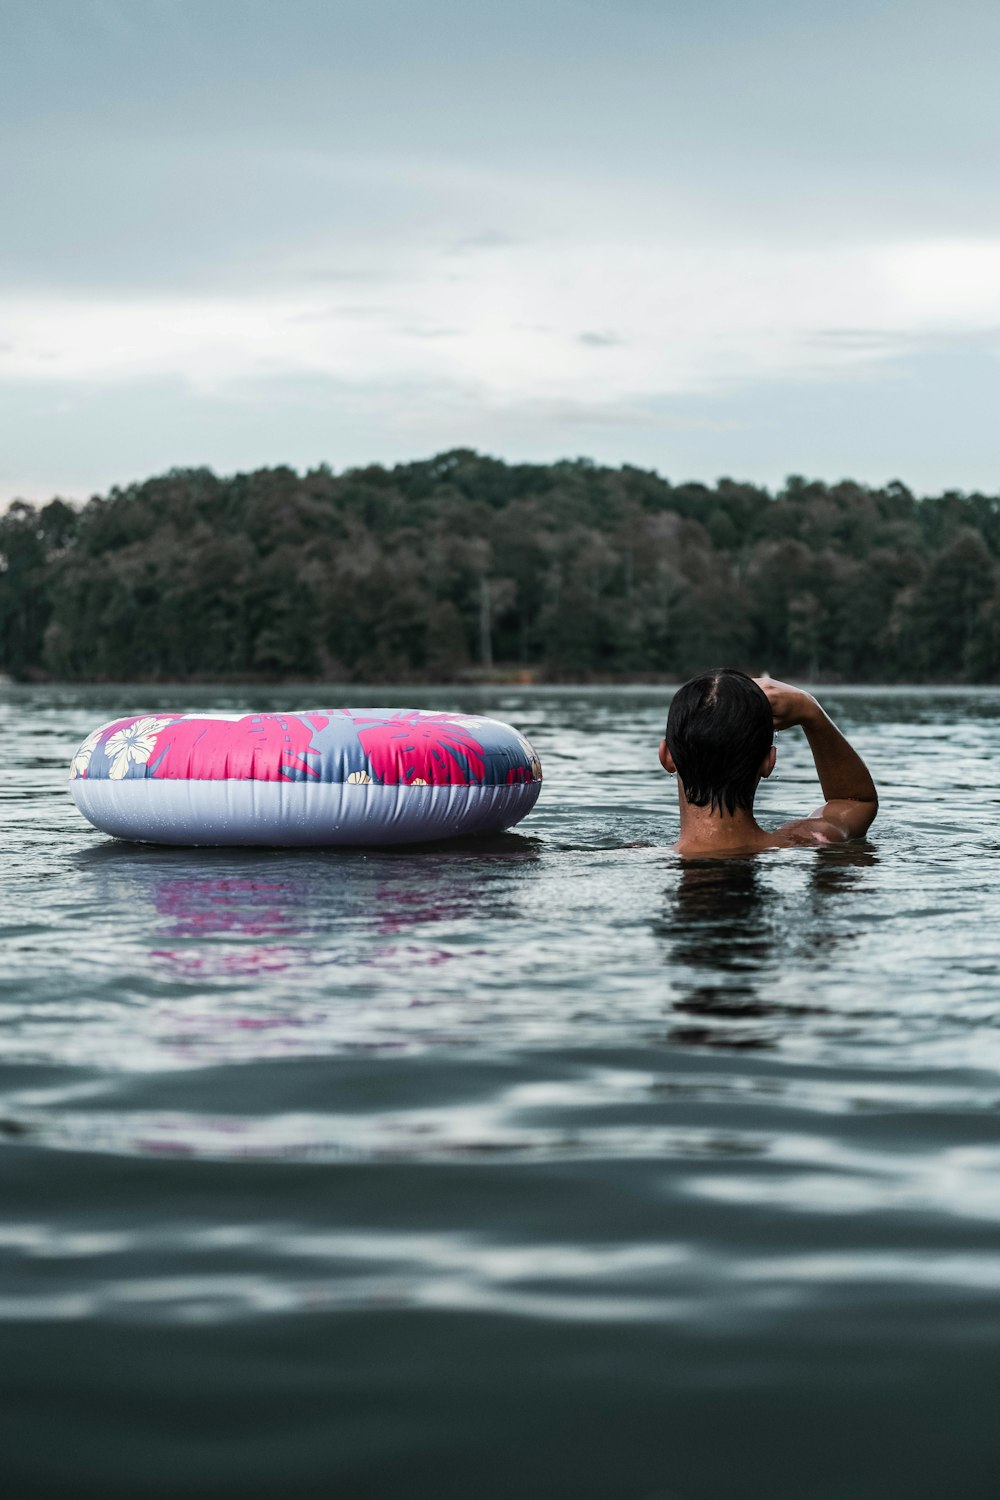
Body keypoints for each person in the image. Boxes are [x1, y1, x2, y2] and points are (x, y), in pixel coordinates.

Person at [659, 668, 878, 857]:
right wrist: (809, 709)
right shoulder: (807, 841)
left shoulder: (633, 856)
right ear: (769, 761)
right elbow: (856, 802)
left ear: (667, 757)